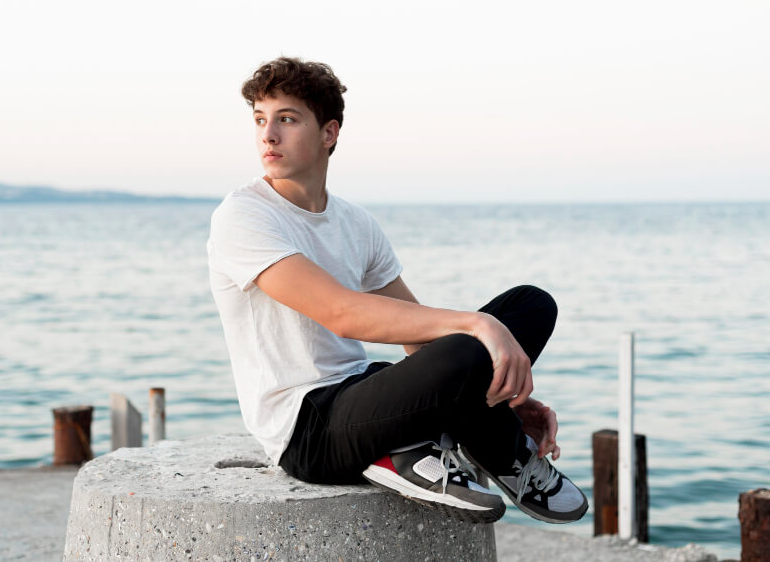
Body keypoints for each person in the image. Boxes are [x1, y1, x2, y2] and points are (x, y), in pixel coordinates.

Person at [207, 57, 588, 524]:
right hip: (307, 429)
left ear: (329, 133)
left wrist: (502, 395)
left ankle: (495, 446)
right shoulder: (244, 215)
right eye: (261, 120)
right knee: (473, 343)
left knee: (530, 305)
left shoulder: (355, 223)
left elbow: (416, 339)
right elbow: (342, 313)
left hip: (363, 392)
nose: (269, 135)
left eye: (286, 119)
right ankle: (456, 450)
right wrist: (479, 327)